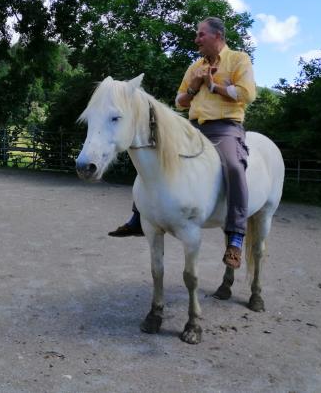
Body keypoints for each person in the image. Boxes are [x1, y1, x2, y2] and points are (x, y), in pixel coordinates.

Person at [109, 17, 256, 270]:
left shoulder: (238, 59)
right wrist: (195, 87)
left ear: (217, 35)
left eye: (201, 34)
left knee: (233, 165)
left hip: (225, 127)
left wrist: (214, 86)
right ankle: (138, 216)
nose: (196, 39)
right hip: (194, 127)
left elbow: (246, 94)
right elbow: (180, 101)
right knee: (154, 155)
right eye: (197, 34)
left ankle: (235, 236)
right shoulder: (195, 67)